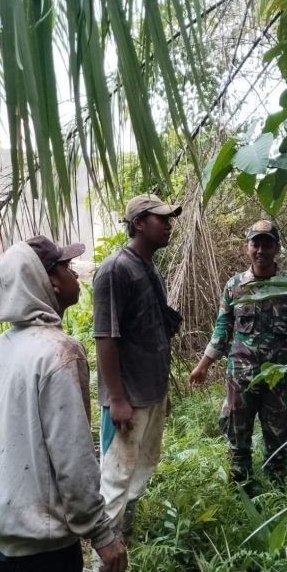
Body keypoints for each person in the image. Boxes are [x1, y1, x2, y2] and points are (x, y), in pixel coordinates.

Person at [0, 236, 127, 572]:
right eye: (66, 267)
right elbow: (73, 457)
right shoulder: (59, 353)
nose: (73, 274)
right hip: (42, 549)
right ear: (50, 281)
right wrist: (102, 534)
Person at [189, 220, 287, 488]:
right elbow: (222, 330)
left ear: (277, 247)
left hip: (278, 379)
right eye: (255, 244)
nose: (261, 250)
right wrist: (203, 366)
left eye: (267, 244)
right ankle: (242, 492)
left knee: (278, 438)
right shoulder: (234, 286)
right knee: (237, 437)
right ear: (247, 247)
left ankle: (276, 493)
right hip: (240, 378)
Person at [93, 193, 182, 539]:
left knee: (140, 468)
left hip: (151, 393)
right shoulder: (115, 270)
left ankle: (124, 537)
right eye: (162, 219)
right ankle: (106, 554)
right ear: (140, 223)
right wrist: (116, 398)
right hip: (127, 398)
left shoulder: (148, 268)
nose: (169, 225)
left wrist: (162, 391)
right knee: (116, 476)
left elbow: (154, 333)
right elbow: (105, 337)